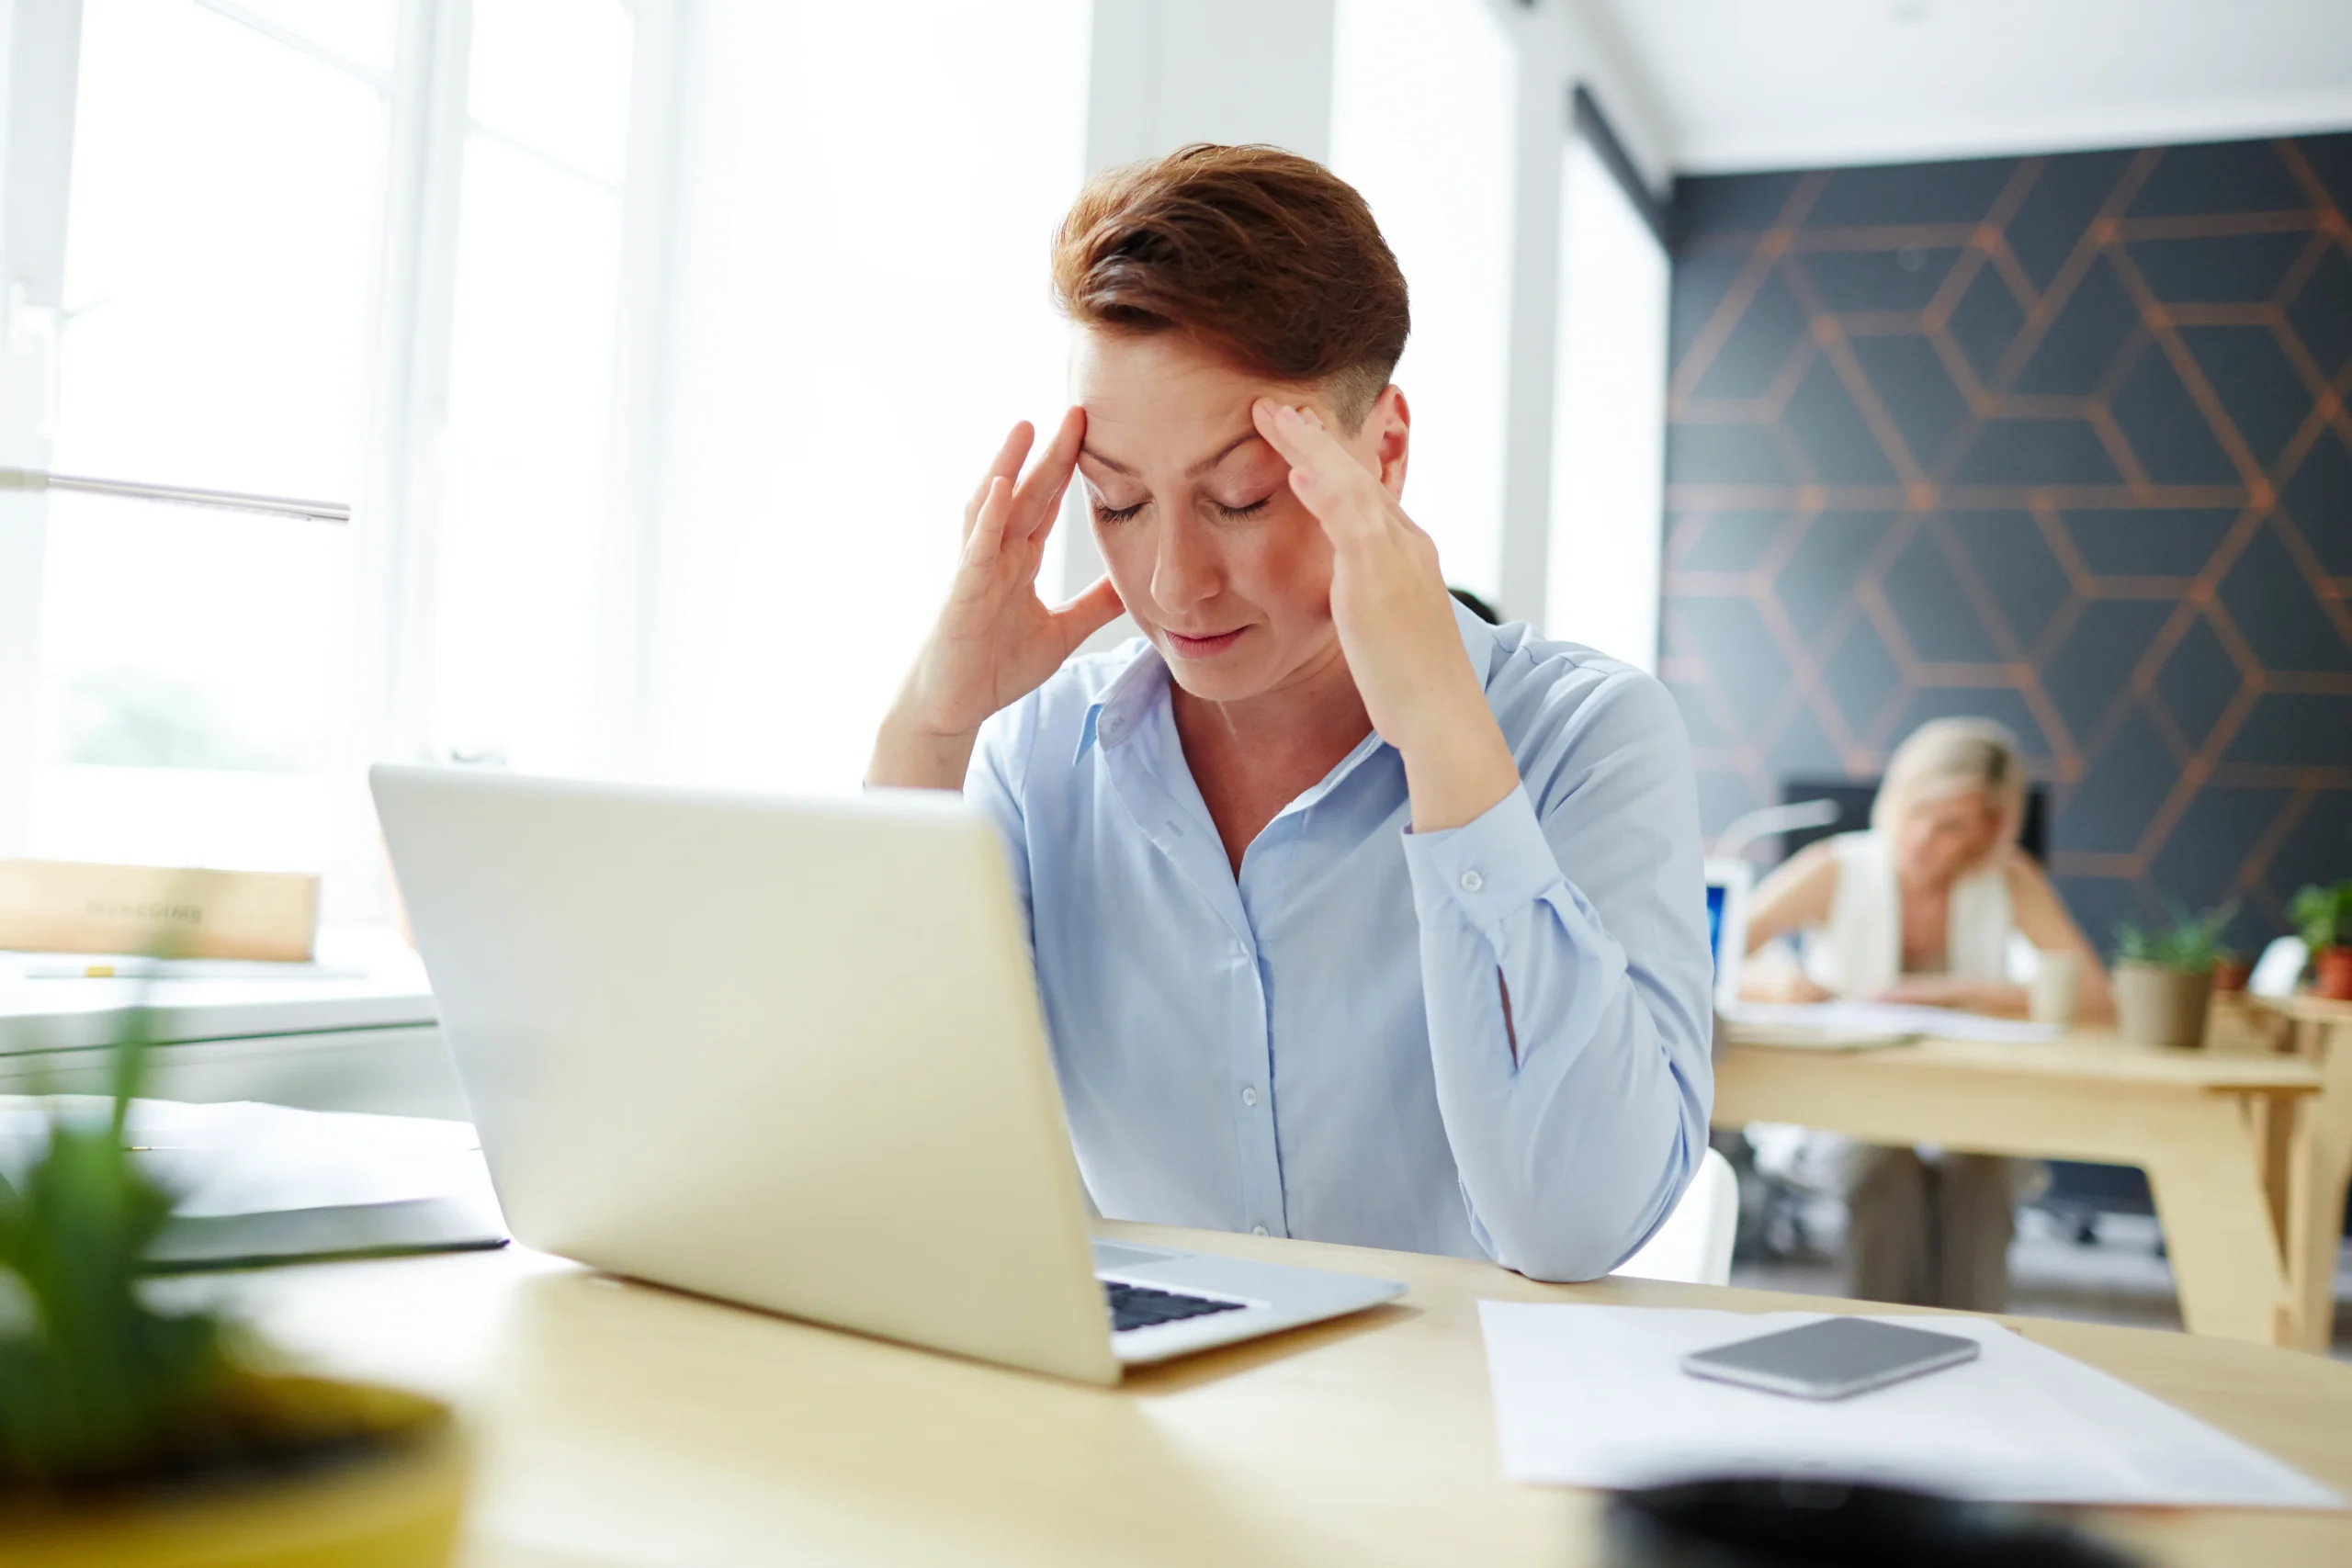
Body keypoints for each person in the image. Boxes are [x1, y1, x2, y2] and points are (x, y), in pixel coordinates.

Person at [865, 144, 1713, 1282]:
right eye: (1116, 502)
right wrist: (931, 728)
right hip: (1135, 1432)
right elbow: (895, 1135)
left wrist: (1446, 743)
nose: (1170, 584)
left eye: (1239, 499)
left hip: (1461, 1432)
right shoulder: (1037, 754)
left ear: (1386, 453)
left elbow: (1572, 1226)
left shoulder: (1588, 739)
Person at [1739, 717, 2113, 1310]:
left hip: (1968, 1101)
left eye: (1951, 826)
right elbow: (1713, 956)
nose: (1922, 838)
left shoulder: (2009, 880)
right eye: (1916, 813)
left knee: (1984, 1170)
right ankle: (1873, 1338)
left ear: (1991, 828)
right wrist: (1777, 980)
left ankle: (1973, 1343)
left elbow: (2093, 998)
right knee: (1883, 1166)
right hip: (1849, 1103)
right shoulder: (1834, 867)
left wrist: (1950, 991)